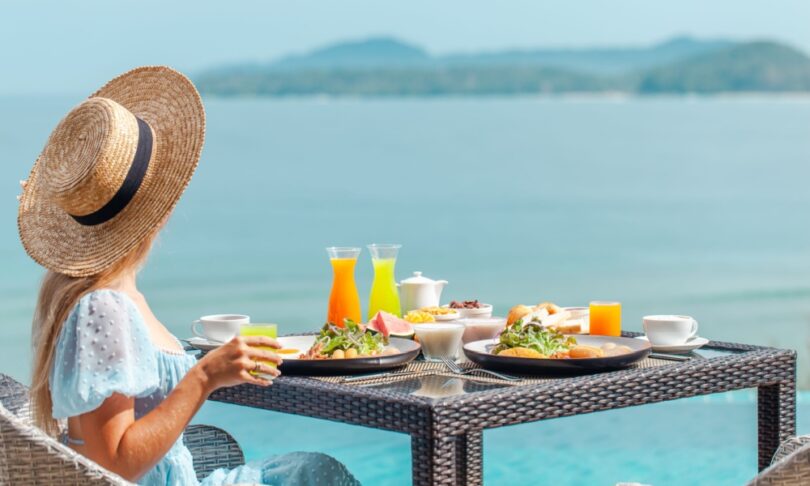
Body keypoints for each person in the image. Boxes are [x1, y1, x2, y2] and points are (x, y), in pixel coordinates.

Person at [16, 66, 360, 486]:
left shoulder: (113, 296)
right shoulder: (103, 308)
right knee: (315, 473)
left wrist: (218, 367)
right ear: (158, 208)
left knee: (307, 468)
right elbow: (113, 466)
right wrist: (205, 376)